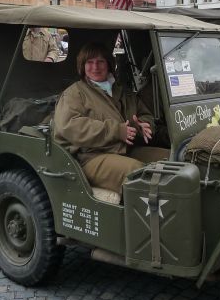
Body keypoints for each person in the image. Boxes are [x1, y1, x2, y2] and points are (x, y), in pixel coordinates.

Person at [54, 42, 168, 193]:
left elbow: (144, 114)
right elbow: (70, 126)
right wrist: (116, 131)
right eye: (90, 62)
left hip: (126, 149)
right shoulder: (74, 94)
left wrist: (142, 126)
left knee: (170, 160)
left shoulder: (122, 91)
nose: (95, 67)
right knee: (138, 174)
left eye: (100, 61)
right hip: (90, 156)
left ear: (109, 64)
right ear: (82, 66)